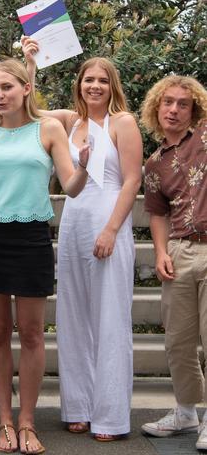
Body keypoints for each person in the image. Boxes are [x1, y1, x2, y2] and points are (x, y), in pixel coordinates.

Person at [0, 59, 89, 454]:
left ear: (26, 88)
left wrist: (86, 164)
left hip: (31, 236)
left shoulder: (48, 128)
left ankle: (28, 422)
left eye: (7, 87)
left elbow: (72, 187)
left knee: (30, 333)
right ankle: (5, 422)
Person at [22, 41, 143, 441]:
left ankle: (109, 417)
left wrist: (111, 229)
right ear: (79, 84)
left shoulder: (122, 122)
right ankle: (78, 407)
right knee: (73, 317)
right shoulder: (69, 121)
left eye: (102, 80)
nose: (95, 86)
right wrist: (29, 64)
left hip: (109, 220)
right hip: (73, 222)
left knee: (109, 319)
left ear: (113, 86)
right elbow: (29, 109)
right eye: (89, 79)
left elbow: (132, 180)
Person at [139, 75, 207, 452]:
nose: (174, 109)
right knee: (178, 340)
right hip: (179, 252)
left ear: (194, 109)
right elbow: (158, 214)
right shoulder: (154, 163)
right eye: (168, 102)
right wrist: (161, 252)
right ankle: (185, 413)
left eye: (183, 103)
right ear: (156, 107)